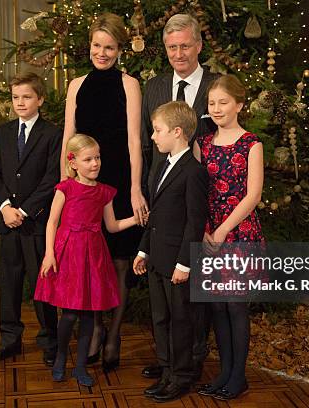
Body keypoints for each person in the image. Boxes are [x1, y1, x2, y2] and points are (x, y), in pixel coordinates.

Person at [60, 12, 147, 371]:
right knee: (91, 262)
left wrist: (137, 189)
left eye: (109, 47)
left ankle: (114, 336)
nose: (102, 52)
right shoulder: (76, 85)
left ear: (119, 50)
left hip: (121, 181)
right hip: (84, 182)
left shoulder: (129, 85)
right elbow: (68, 136)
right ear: (89, 47)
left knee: (120, 263)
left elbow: (134, 140)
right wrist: (65, 187)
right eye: (97, 45)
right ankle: (95, 329)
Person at [139, 12, 219, 382]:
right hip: (163, 192)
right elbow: (146, 141)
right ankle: (172, 359)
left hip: (206, 194)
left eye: (185, 45)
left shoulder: (216, 86)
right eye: (172, 47)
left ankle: (192, 358)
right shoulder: (154, 86)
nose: (179, 53)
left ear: (199, 45)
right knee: (167, 296)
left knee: (190, 291)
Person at [35, 134, 144, 386]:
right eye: (88, 159)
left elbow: (113, 226)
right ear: (73, 162)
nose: (95, 163)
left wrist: (136, 219)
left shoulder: (104, 192)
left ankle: (81, 366)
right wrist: (49, 254)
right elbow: (52, 222)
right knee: (70, 314)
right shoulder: (65, 188)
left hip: (93, 255)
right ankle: (62, 357)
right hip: (68, 253)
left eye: (97, 158)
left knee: (87, 316)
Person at [193, 75, 264, 401]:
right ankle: (223, 371)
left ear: (239, 104)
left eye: (223, 102)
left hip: (238, 234)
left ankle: (239, 376)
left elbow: (253, 196)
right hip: (208, 233)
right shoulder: (203, 145)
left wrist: (222, 230)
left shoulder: (252, 144)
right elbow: (195, 192)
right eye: (212, 103)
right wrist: (205, 229)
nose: (217, 108)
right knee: (217, 307)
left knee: (235, 305)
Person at [133, 101, 208, 402]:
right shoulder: (162, 165)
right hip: (157, 258)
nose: (152, 136)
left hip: (177, 262)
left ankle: (181, 376)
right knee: (160, 317)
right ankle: (166, 367)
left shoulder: (194, 172)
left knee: (180, 320)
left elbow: (194, 222)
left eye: (158, 131)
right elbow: (157, 217)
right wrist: (143, 251)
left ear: (178, 132)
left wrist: (185, 264)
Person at [0, 72, 61, 366]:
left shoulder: (52, 134)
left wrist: (25, 211)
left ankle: (49, 339)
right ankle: (9, 338)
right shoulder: (3, 132)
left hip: (36, 224)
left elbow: (51, 178)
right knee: (9, 282)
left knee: (41, 284)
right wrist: (5, 207)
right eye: (15, 97)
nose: (20, 102)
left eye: (26, 97)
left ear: (40, 99)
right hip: (7, 222)